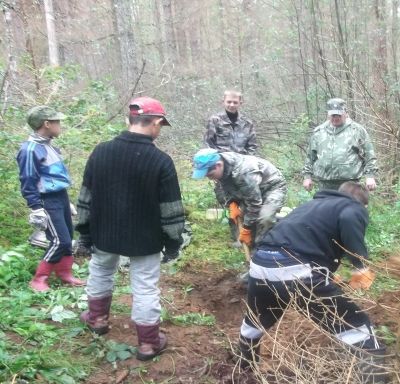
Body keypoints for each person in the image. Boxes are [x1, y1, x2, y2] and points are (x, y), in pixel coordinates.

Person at [235, 182, 388, 384]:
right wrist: (360, 267)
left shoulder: (312, 205)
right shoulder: (351, 207)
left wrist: (325, 273)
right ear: (361, 202)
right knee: (360, 330)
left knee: (255, 322)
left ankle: (242, 376)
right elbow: (349, 219)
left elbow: (304, 239)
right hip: (295, 271)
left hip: (262, 264)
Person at [75, 97, 185, 361]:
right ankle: (148, 343)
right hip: (145, 238)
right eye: (161, 125)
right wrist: (173, 242)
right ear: (156, 123)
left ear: (129, 120)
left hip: (104, 232)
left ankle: (98, 319)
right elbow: (170, 209)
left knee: (101, 271)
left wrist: (84, 232)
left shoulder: (100, 151)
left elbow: (85, 197)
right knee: (145, 286)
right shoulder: (160, 161)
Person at [16, 106, 85, 292]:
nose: (60, 125)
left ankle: (65, 274)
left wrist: (66, 201)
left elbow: (54, 177)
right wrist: (36, 207)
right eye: (57, 122)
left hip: (59, 196)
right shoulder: (30, 150)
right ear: (46, 124)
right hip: (47, 200)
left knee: (68, 238)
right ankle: (39, 279)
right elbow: (28, 180)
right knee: (59, 241)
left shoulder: (48, 145)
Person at [191, 148, 286, 248]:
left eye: (210, 175)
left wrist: (246, 228)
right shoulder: (222, 162)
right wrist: (232, 203)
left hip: (272, 187)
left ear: (218, 165)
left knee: (264, 218)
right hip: (251, 188)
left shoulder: (243, 172)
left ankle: (262, 247)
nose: (210, 178)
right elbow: (226, 185)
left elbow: (254, 203)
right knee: (245, 216)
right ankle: (248, 243)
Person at [203, 89, 258, 243]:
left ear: (241, 103)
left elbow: (253, 147)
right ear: (223, 102)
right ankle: (236, 238)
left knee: (247, 202)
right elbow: (208, 145)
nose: (232, 105)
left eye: (235, 102)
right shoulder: (215, 120)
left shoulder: (247, 123)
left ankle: (248, 236)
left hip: (242, 171)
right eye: (229, 102)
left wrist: (249, 166)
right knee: (230, 204)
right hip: (221, 171)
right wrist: (213, 170)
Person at [302, 98, 378, 192]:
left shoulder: (357, 130)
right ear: (328, 114)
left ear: (345, 113)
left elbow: (369, 155)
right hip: (324, 184)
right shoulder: (319, 132)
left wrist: (370, 176)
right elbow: (310, 156)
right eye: (333, 115)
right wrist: (307, 176)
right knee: (326, 207)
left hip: (350, 184)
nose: (335, 118)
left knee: (349, 207)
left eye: (338, 115)